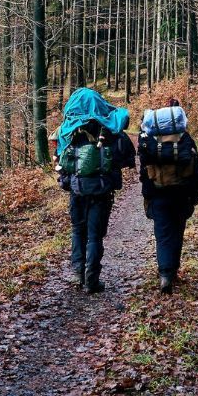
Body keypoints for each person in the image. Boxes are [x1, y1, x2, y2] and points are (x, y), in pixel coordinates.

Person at [55, 88, 135, 294]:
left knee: (77, 230)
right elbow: (126, 156)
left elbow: (60, 161)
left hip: (77, 190)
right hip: (101, 191)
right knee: (95, 235)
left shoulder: (68, 130)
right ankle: (92, 279)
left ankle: (77, 271)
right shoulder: (109, 127)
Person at [138, 98, 198, 294]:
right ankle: (173, 269)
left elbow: (144, 173)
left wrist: (147, 196)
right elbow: (196, 170)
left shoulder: (151, 141)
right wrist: (195, 195)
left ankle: (166, 274)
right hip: (182, 194)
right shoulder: (185, 139)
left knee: (163, 234)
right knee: (178, 230)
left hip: (158, 194)